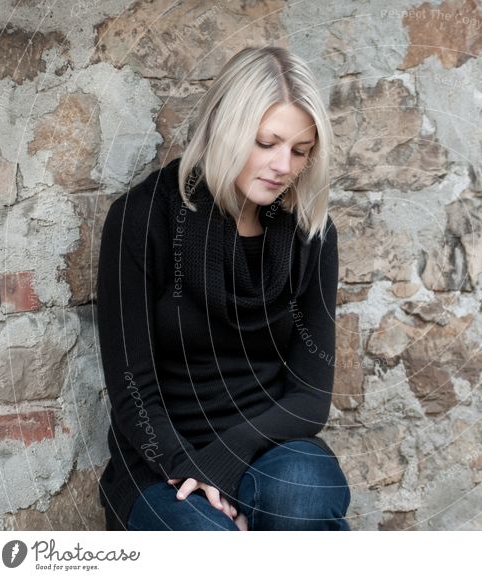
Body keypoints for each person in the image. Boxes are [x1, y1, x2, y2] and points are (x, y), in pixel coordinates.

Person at [95, 46, 350, 531]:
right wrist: (190, 467)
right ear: (226, 128)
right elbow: (132, 390)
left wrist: (223, 462)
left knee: (306, 494)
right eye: (266, 142)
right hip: (160, 461)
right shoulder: (142, 218)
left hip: (270, 448)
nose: (282, 166)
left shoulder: (309, 235)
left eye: (299, 151)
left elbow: (311, 395)